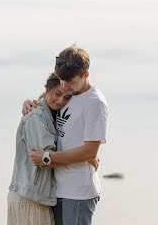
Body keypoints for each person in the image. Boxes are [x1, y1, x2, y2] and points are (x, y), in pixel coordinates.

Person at [23, 45, 108, 225]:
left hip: (77, 193)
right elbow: (49, 103)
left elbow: (89, 152)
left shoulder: (95, 103)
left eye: (70, 82)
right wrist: (31, 102)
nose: (64, 87)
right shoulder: (69, 95)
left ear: (85, 75)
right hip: (57, 190)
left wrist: (47, 158)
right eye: (61, 80)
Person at [8, 73, 99, 225]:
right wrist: (86, 154)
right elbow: (46, 158)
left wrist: (86, 152)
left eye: (66, 98)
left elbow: (60, 146)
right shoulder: (36, 116)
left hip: (37, 197)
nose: (60, 101)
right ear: (46, 88)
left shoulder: (52, 115)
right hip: (30, 198)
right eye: (57, 94)